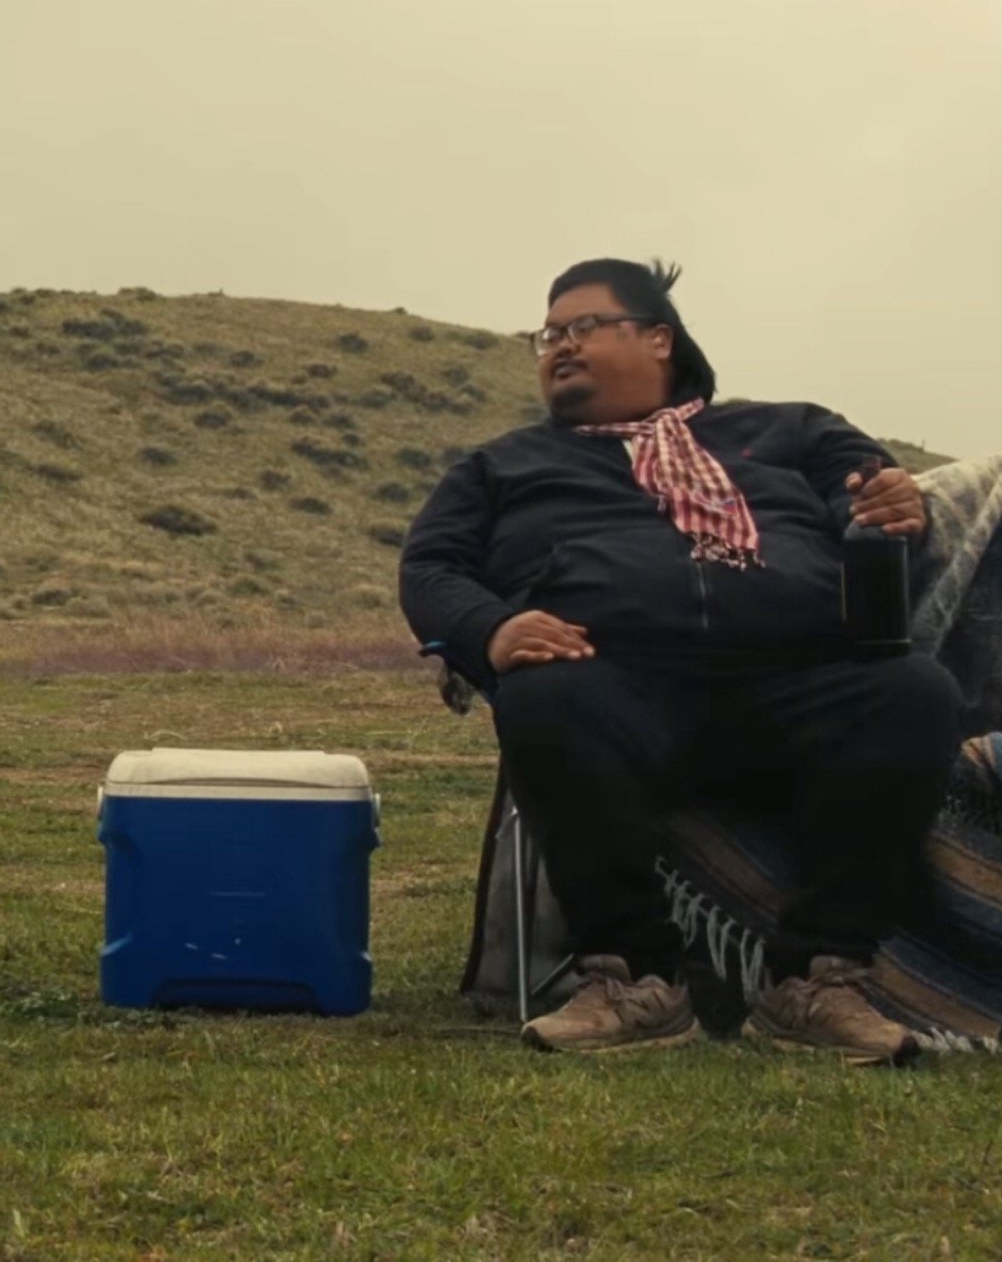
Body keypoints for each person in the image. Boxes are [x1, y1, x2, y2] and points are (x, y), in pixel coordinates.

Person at [399, 259, 960, 1066]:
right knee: (544, 695)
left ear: (659, 337)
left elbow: (877, 500)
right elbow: (430, 566)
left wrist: (899, 505)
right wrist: (491, 629)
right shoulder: (502, 467)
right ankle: (638, 980)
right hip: (615, 688)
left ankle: (816, 982)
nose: (559, 347)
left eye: (582, 326)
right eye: (546, 337)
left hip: (798, 682)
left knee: (912, 692)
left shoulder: (796, 432)